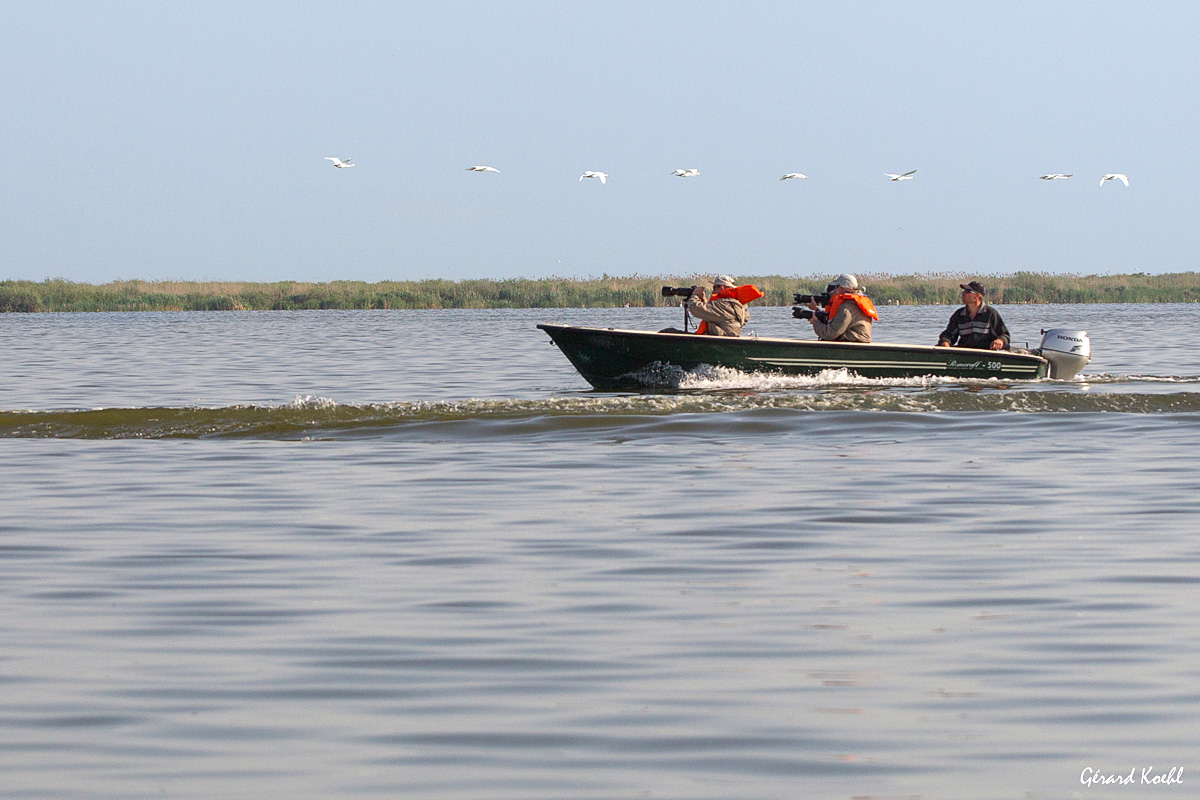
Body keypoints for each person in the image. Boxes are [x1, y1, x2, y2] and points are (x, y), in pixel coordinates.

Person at [803, 274, 877, 342]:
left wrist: (815, 322)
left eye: (837, 287)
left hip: (853, 345)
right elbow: (835, 324)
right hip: (856, 342)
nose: (836, 290)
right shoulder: (853, 304)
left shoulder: (846, 308)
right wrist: (816, 310)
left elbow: (830, 334)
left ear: (843, 288)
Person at [937, 281, 1009, 350]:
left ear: (978, 296)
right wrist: (945, 342)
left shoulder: (990, 313)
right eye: (964, 291)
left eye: (968, 291)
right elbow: (949, 334)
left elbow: (1004, 335)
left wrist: (1000, 341)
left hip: (986, 354)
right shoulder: (959, 314)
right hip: (964, 354)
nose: (963, 293)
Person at [687, 275, 763, 336]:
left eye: (714, 287)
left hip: (716, 342)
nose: (713, 290)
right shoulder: (737, 306)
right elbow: (714, 315)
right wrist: (703, 300)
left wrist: (695, 295)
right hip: (724, 338)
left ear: (721, 288)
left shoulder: (724, 306)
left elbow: (695, 309)